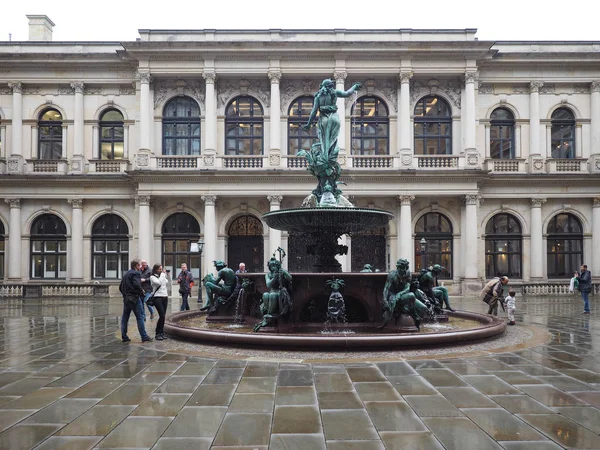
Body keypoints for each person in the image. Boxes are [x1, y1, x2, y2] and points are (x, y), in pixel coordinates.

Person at [254, 257, 293, 331]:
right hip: (272, 291)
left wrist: (284, 272)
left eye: (275, 266)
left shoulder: (281, 272)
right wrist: (274, 278)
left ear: (278, 266)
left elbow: (290, 278)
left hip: (280, 292)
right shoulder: (268, 275)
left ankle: (269, 316)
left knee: (273, 295)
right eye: (271, 266)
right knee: (265, 294)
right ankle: (267, 315)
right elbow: (268, 285)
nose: (273, 268)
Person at [119, 258, 152, 343]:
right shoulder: (136, 273)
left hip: (126, 299)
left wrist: (125, 295)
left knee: (125, 318)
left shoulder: (126, 274)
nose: (141, 267)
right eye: (140, 265)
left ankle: (124, 336)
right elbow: (137, 284)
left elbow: (120, 287)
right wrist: (142, 292)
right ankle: (144, 336)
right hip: (134, 299)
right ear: (137, 265)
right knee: (140, 317)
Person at [150, 263, 170, 340]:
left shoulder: (162, 276)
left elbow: (166, 282)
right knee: (161, 315)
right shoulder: (152, 277)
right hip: (157, 297)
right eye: (159, 269)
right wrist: (162, 275)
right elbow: (158, 283)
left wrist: (166, 275)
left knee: (163, 316)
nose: (161, 270)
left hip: (165, 296)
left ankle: (161, 332)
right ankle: (157, 333)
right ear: (155, 269)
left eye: (161, 269)